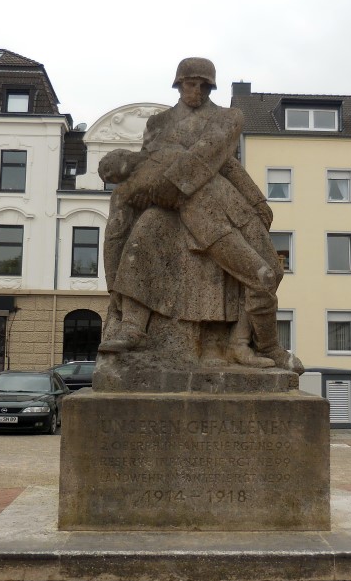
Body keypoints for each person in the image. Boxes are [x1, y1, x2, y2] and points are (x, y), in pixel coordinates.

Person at [98, 58, 302, 373]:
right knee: (141, 238)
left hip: (214, 202)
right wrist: (113, 284)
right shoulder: (159, 123)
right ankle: (132, 326)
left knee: (265, 271)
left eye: (204, 84)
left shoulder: (226, 118)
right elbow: (136, 183)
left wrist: (256, 200)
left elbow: (221, 161)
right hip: (168, 210)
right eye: (191, 83)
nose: (198, 89)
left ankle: (249, 344)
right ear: (179, 84)